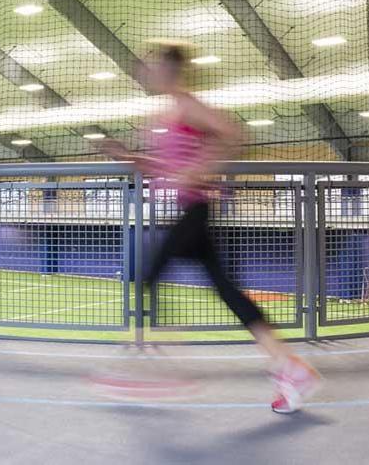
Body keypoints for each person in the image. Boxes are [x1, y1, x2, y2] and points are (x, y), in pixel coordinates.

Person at [99, 43, 321, 413]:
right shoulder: (167, 112)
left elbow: (232, 133)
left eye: (153, 66)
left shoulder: (186, 103)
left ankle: (160, 371)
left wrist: (201, 168)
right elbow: (168, 165)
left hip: (195, 210)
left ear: (170, 70)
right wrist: (130, 158)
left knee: (149, 275)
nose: (146, 72)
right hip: (191, 212)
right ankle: (291, 369)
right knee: (230, 294)